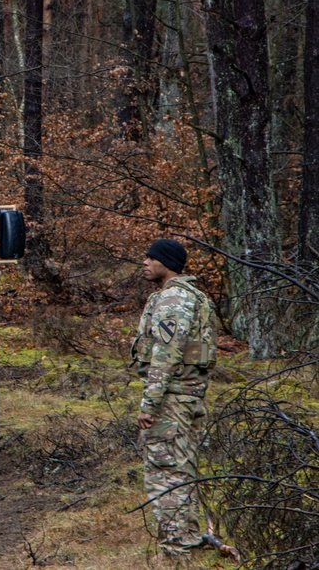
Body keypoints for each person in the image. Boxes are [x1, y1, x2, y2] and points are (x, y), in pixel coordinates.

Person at [132, 238, 217, 558]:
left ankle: (176, 549)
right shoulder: (193, 296)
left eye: (151, 257)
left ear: (166, 263)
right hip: (189, 396)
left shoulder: (172, 300)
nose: (145, 261)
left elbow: (166, 356)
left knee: (166, 472)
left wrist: (149, 404)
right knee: (182, 469)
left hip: (172, 399)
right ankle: (188, 537)